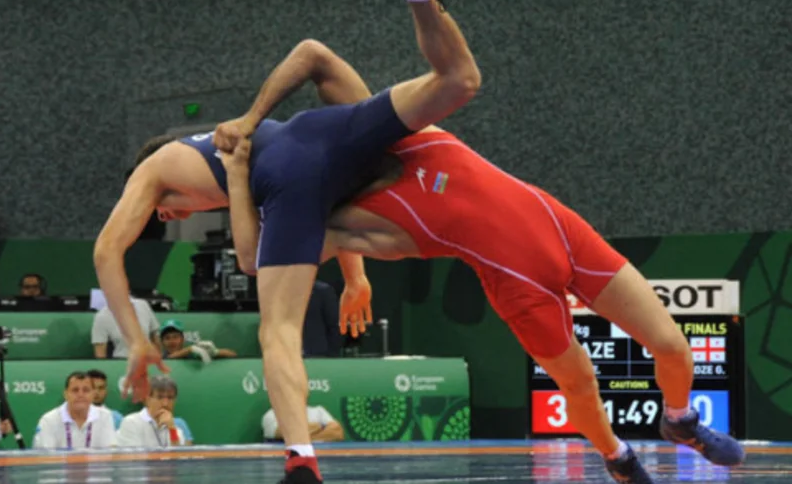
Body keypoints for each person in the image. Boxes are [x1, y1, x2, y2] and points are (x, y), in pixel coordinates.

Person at [219, 48, 746, 483]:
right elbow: (255, 255)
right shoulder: (358, 218)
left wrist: (251, 120)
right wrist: (239, 172)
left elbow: (317, 58)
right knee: (581, 383)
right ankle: (617, 457)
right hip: (519, 285)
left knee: (673, 344)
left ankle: (679, 420)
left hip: (565, 229)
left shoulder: (396, 131)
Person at [92, 0, 482, 481]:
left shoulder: (155, 170)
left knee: (276, 326)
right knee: (453, 85)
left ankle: (301, 456)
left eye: (163, 212)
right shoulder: (225, 169)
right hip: (324, 144)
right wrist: (356, 279)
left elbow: (107, 249)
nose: (165, 216)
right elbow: (314, 77)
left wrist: (135, 340)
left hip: (292, 169)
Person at [33, 372, 117, 450]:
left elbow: (109, 454)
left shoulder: (105, 416)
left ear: (93, 394)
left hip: (95, 466)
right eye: (75, 390)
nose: (80, 395)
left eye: (86, 390)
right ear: (65, 394)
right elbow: (46, 457)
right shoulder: (49, 420)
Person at [117, 375, 193, 447]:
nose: (165, 403)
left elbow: (178, 457)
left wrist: (172, 429)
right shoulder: (131, 422)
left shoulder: (175, 428)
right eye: (160, 397)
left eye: (170, 398)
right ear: (147, 399)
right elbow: (134, 458)